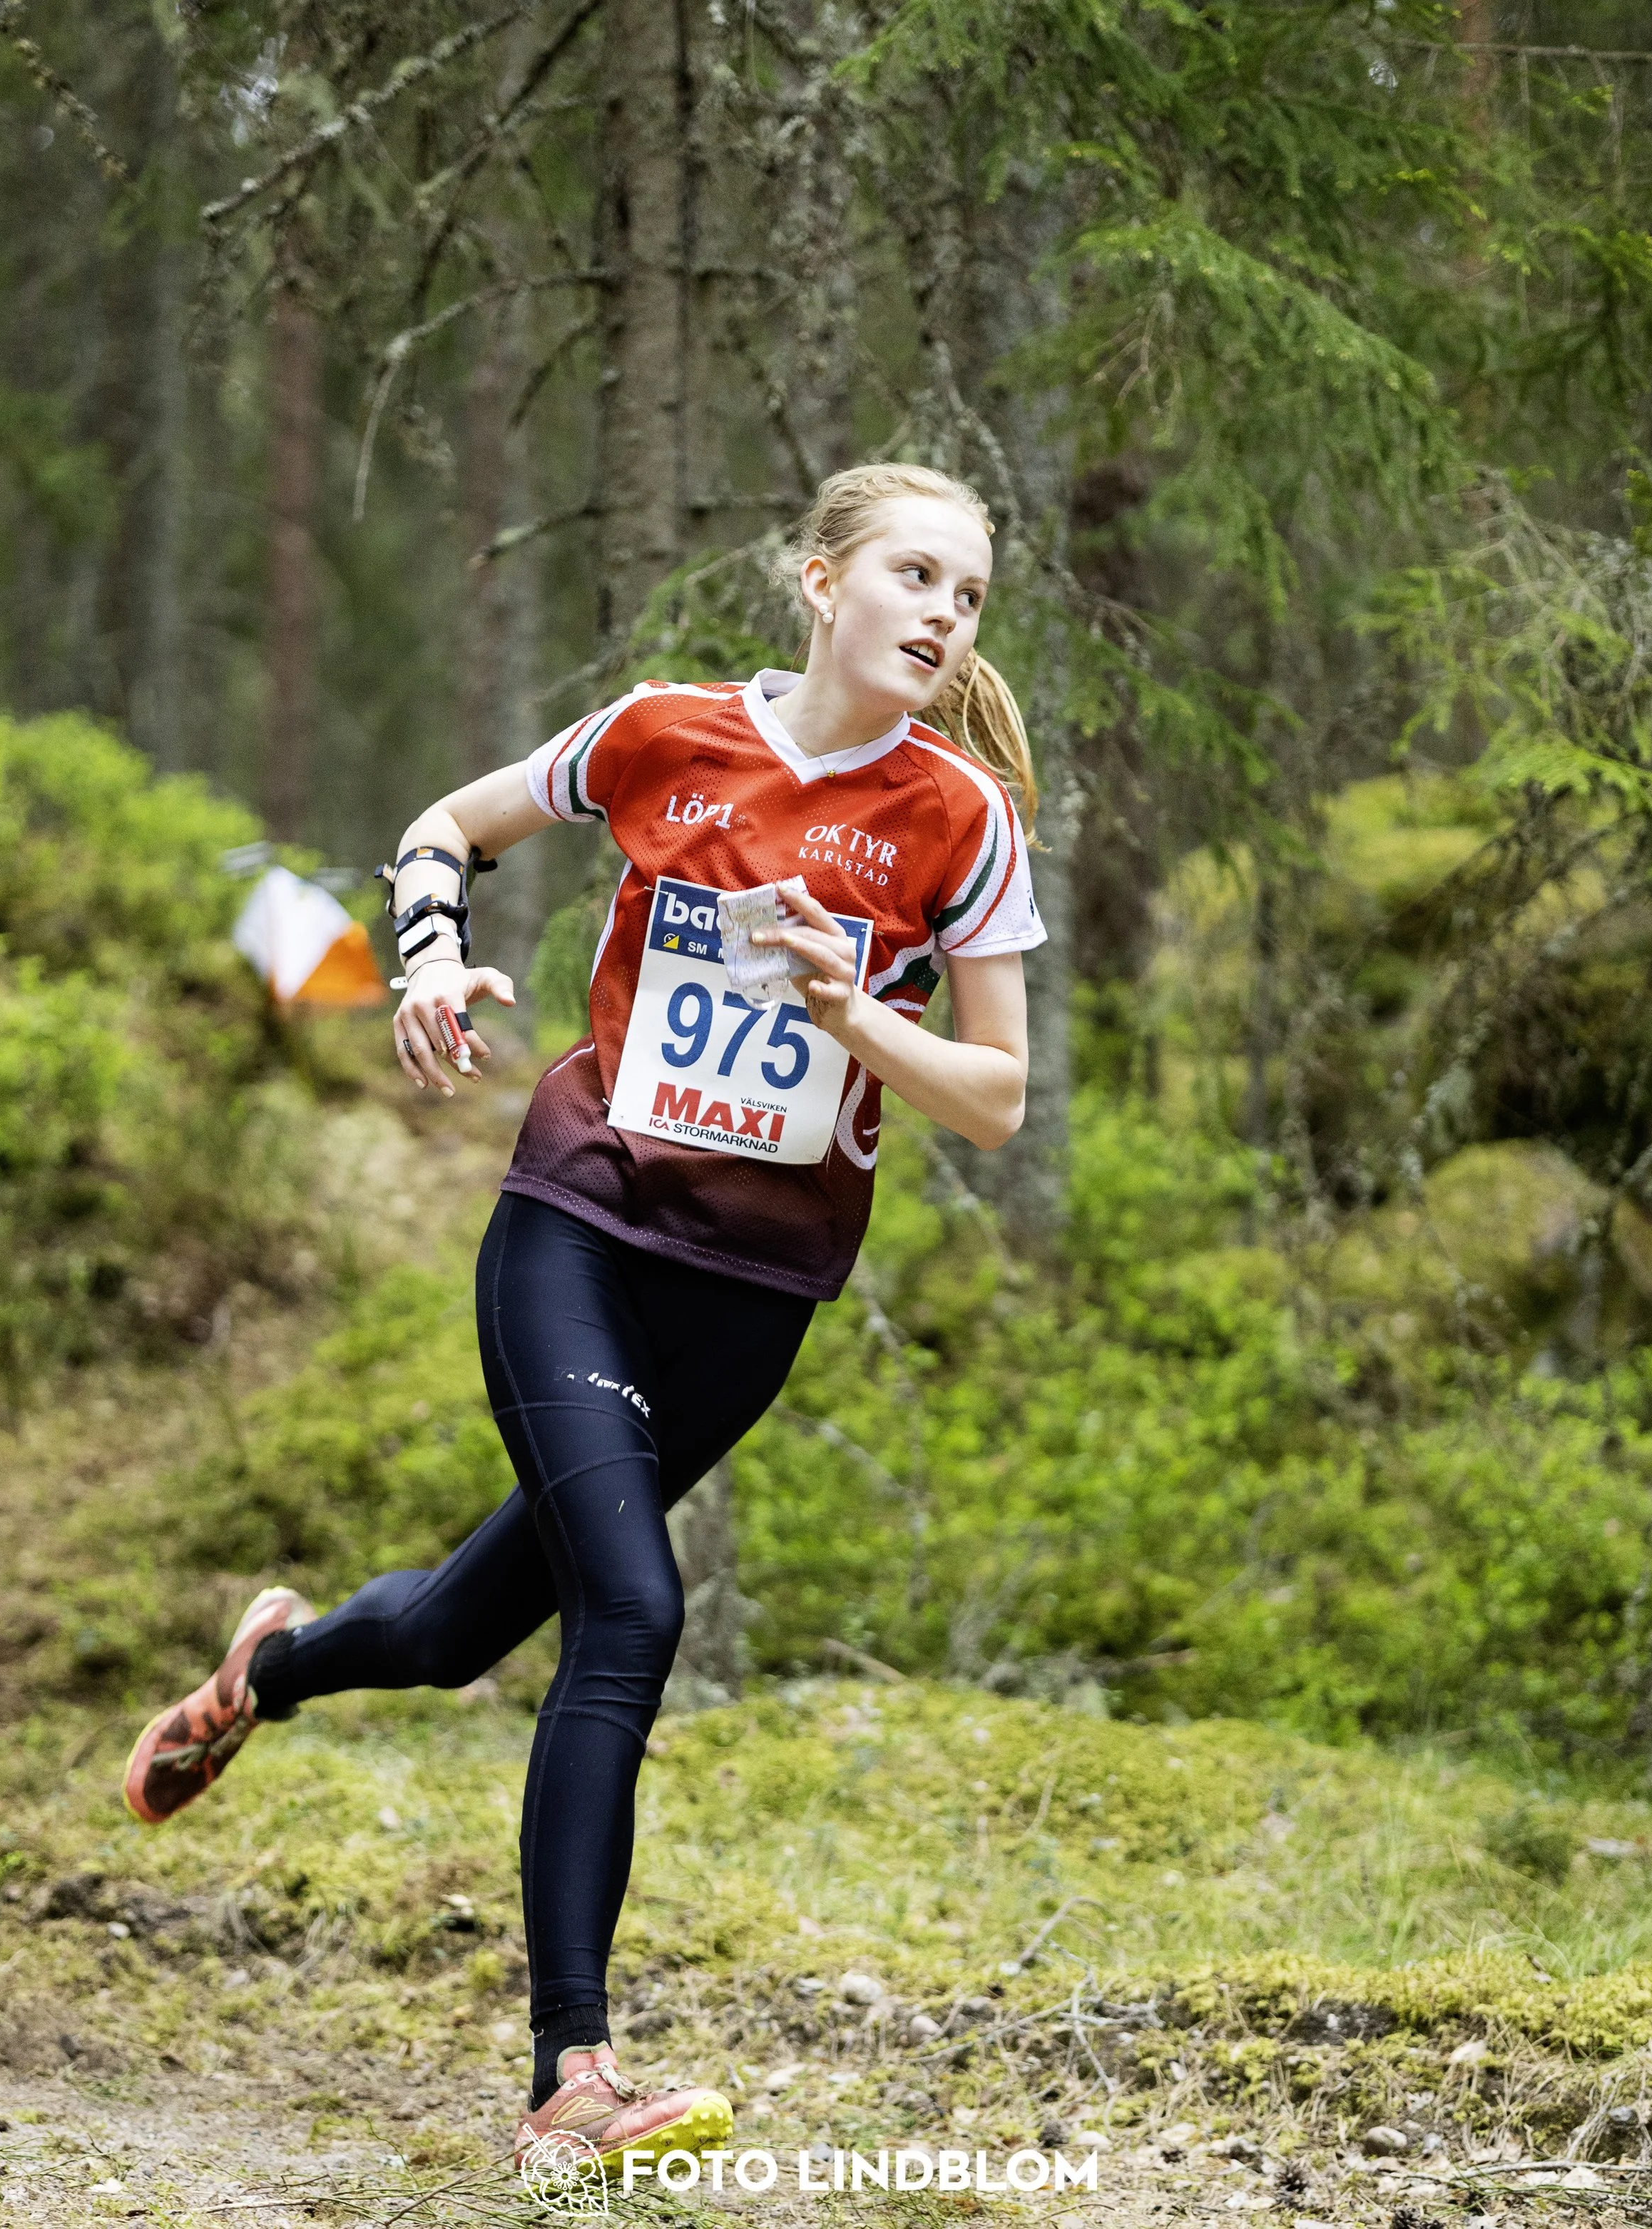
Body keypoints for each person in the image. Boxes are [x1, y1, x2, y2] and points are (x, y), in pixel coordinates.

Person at [121, 461, 1046, 2173]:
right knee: (627, 1607)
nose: (940, 615)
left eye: (969, 596)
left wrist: (856, 1013)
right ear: (820, 580)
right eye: (913, 575)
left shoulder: (959, 820)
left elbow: (991, 1097)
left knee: (469, 1625)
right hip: (579, 1223)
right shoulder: (661, 733)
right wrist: (423, 957)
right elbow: (442, 827)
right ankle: (572, 2078)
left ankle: (273, 1665)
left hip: (754, 1291)